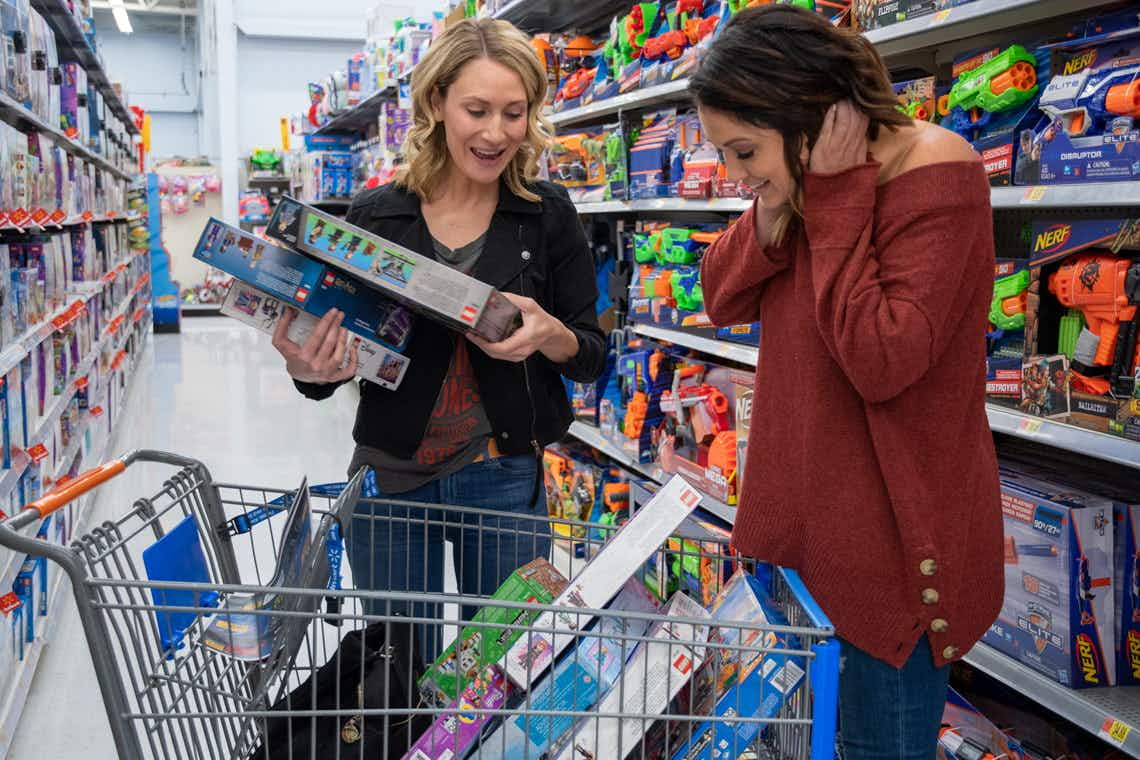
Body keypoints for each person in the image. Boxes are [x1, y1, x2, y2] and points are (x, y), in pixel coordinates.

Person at [690, 7, 1003, 759]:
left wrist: (833, 202)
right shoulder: (800, 184)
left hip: (885, 561)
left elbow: (881, 357)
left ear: (806, 114)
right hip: (801, 541)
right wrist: (783, 199)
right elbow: (718, 293)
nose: (738, 175)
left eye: (744, 151)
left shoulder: (938, 174)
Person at [271, 17, 604, 654]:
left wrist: (549, 333)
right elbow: (329, 367)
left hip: (503, 476)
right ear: (435, 104)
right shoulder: (376, 215)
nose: (496, 132)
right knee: (399, 680)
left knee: (502, 675)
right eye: (477, 109)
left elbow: (589, 355)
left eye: (515, 112)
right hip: (391, 478)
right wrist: (309, 367)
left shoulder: (545, 213)